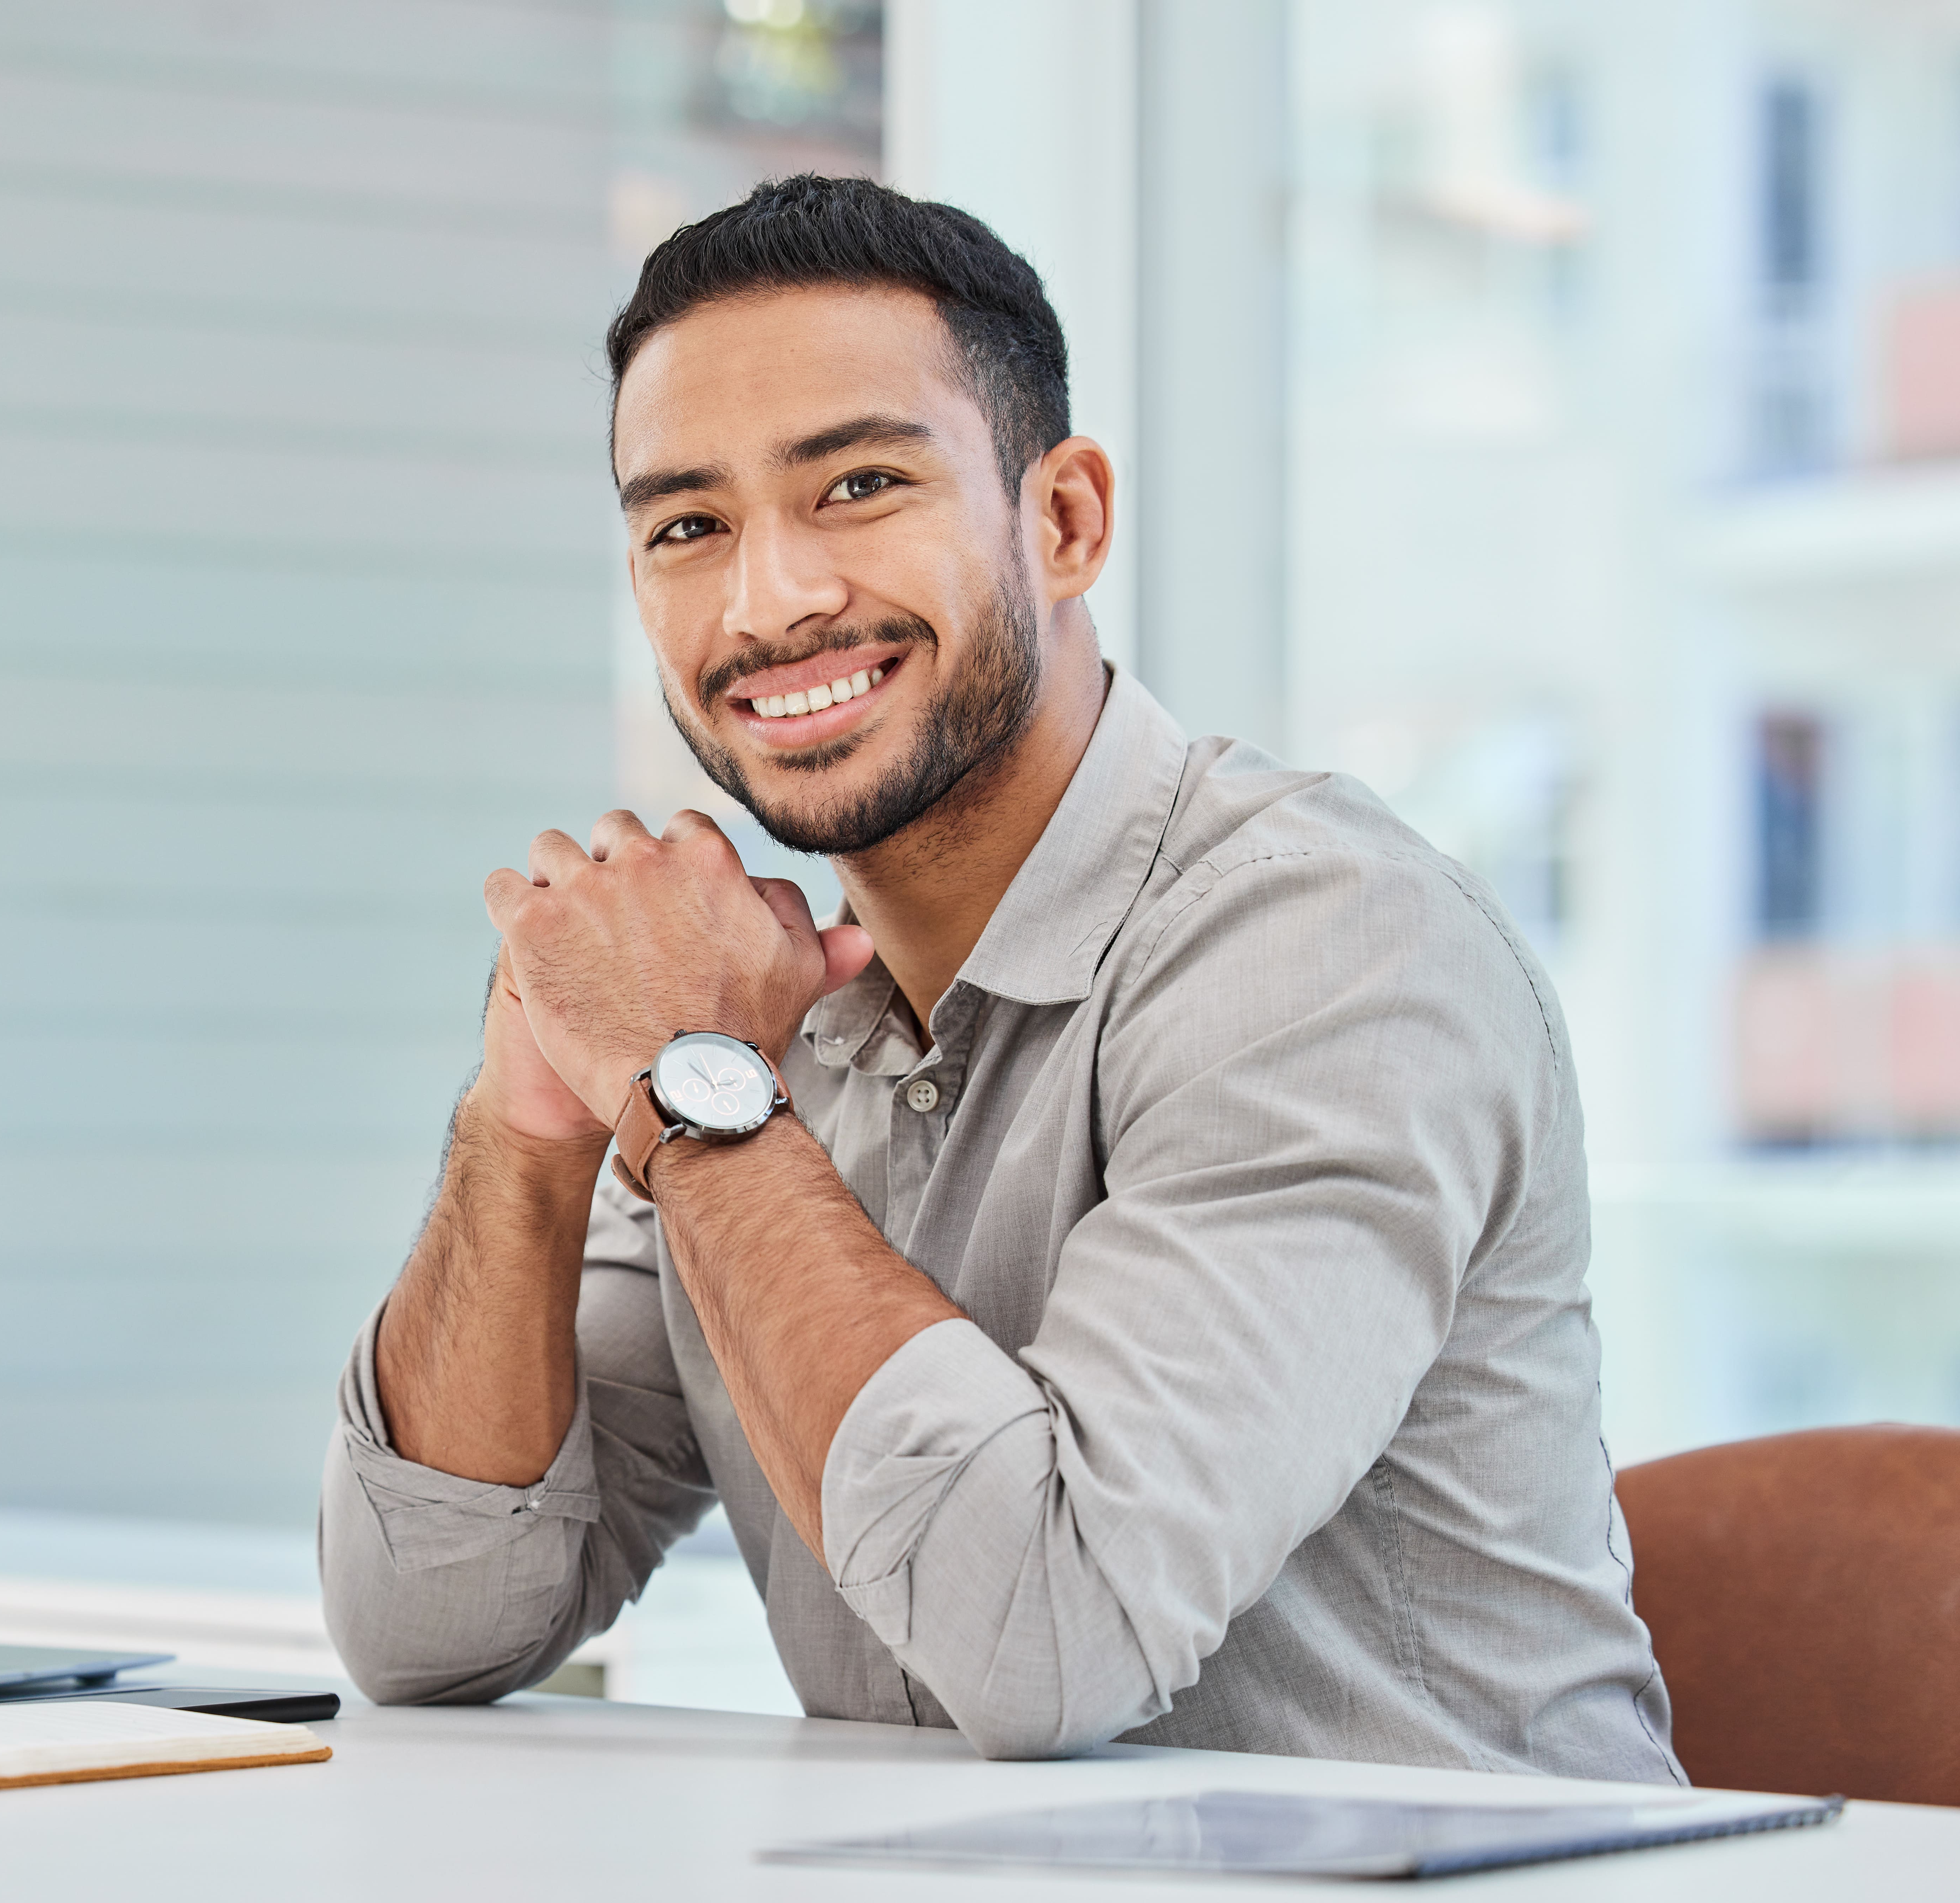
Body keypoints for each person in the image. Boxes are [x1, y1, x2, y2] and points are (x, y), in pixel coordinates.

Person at [316, 175, 1678, 1779]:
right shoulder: (747, 1016)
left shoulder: (1329, 949)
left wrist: (691, 1089)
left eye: (858, 485)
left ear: (1064, 520)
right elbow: (429, 1627)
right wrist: (529, 1127)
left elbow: (1048, 1639)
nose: (768, 600)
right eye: (687, 527)